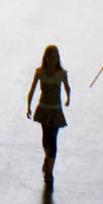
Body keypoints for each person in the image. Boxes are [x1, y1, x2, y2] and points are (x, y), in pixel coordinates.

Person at [26, 44, 71, 186]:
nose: (53, 59)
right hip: (44, 109)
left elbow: (67, 87)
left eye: (56, 57)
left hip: (56, 110)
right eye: (51, 57)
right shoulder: (40, 72)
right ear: (46, 58)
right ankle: (47, 157)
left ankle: (50, 170)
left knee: (53, 138)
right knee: (46, 138)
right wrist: (28, 106)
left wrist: (68, 98)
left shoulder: (62, 73)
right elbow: (32, 89)